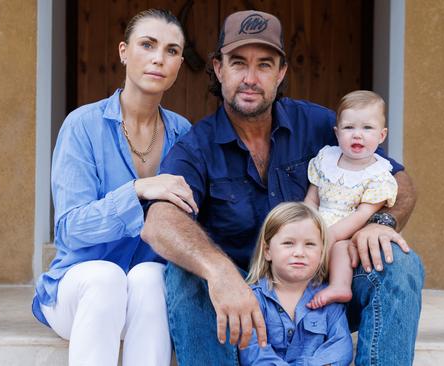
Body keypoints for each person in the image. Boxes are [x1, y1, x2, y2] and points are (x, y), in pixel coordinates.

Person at [142, 9, 424, 366]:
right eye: (238, 63)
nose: (250, 77)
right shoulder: (198, 146)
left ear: (281, 72)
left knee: (399, 263)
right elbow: (159, 222)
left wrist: (379, 223)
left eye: (264, 65)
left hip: (321, 290)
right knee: (185, 273)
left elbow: (399, 179)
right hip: (242, 298)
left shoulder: (320, 125)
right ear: (218, 68)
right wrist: (219, 271)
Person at [31, 9, 197, 366]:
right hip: (81, 290)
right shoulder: (83, 126)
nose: (158, 58)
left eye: (171, 51)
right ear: (124, 52)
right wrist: (137, 189)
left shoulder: (183, 133)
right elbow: (70, 230)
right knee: (106, 278)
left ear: (180, 64)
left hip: (143, 302)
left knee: (152, 276)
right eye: (147, 45)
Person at [305, 90, 398, 309]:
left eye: (367, 128)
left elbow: (362, 215)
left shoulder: (377, 174)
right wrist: (304, 227)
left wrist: (330, 236)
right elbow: (311, 199)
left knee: (342, 248)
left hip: (347, 233)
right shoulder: (326, 159)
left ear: (382, 135)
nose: (357, 135)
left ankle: (340, 286)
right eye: (349, 127)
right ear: (337, 133)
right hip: (317, 225)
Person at [239, 202, 353, 365]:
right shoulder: (253, 299)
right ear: (267, 251)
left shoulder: (328, 301)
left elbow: (341, 348)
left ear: (322, 253)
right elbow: (252, 351)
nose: (299, 253)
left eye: (310, 244)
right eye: (288, 243)